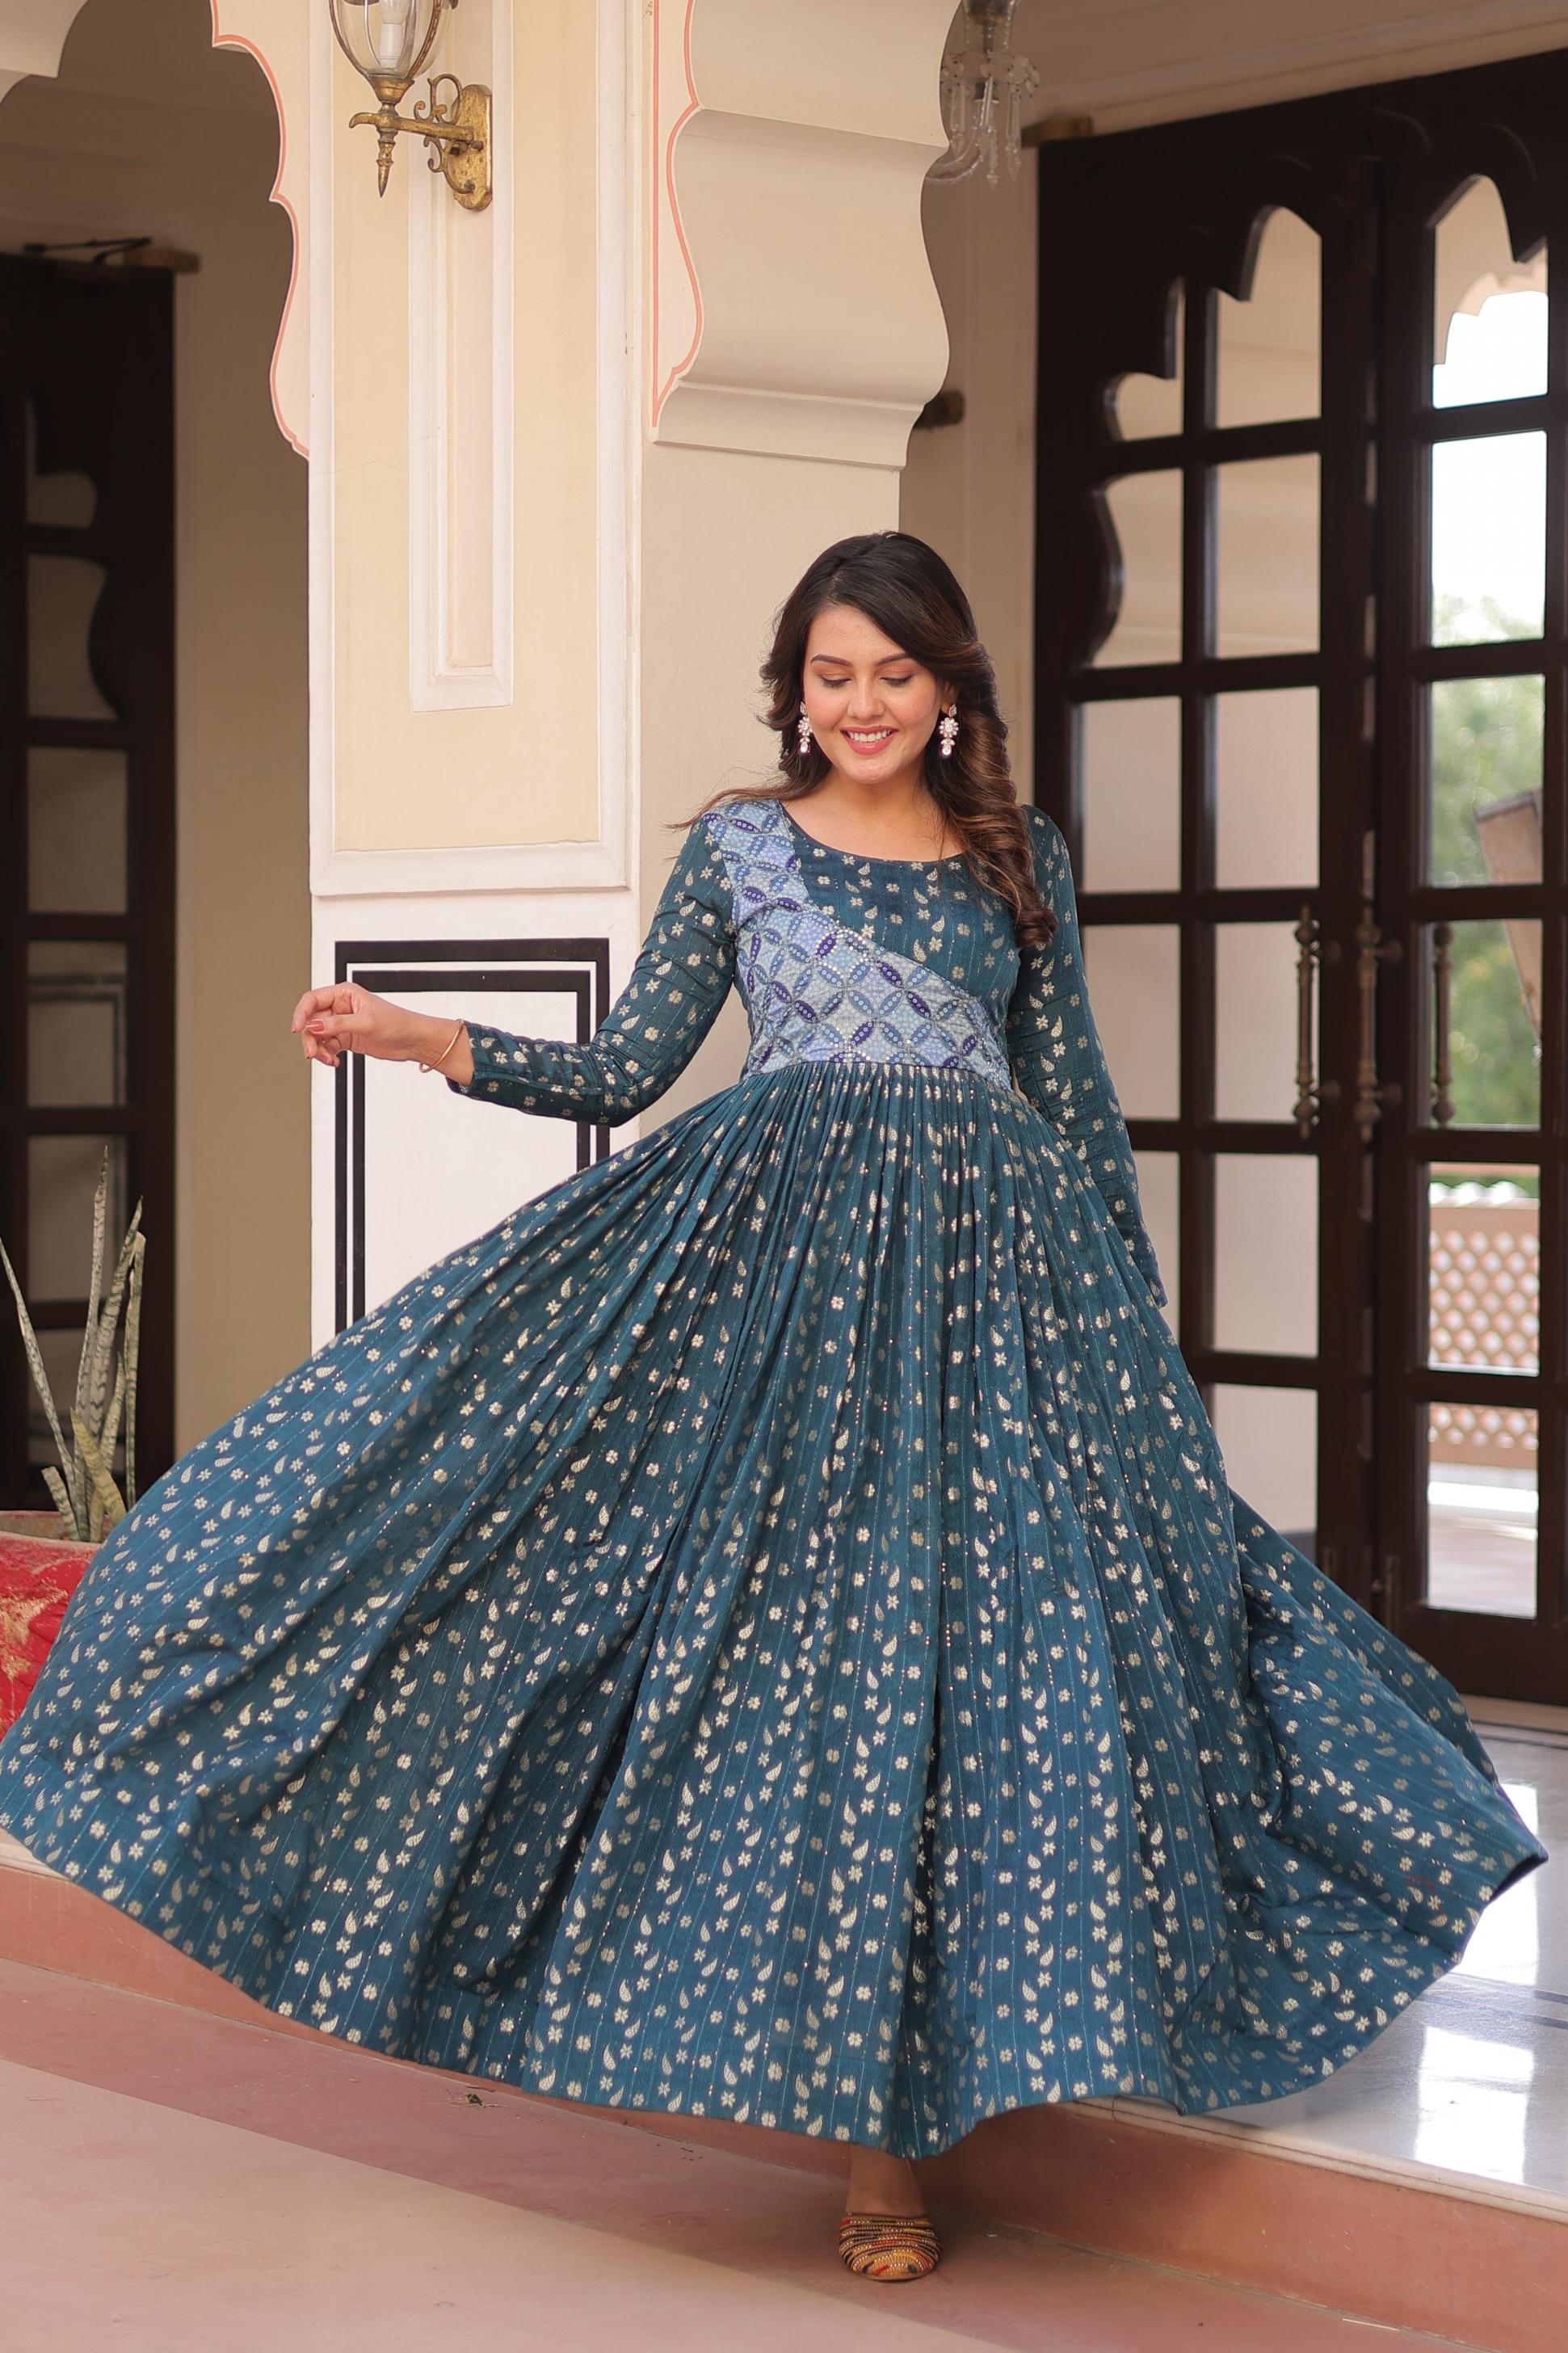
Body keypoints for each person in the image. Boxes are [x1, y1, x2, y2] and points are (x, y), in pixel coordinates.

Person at [0, 532, 1545, 2288]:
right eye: (831, 673)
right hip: (774, 1299)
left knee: (987, 1682)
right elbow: (628, 1067)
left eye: (894, 672)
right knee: (807, 1676)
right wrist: (426, 1036)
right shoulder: (740, 849)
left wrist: (1132, 1345)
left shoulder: (1015, 859)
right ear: (793, 690)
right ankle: (858, 2140)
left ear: (947, 689)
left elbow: (1070, 1111)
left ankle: (933, 2109)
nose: (861, 703)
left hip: (995, 1309)